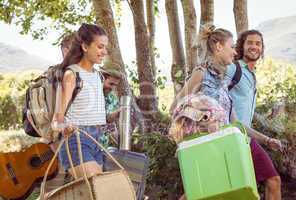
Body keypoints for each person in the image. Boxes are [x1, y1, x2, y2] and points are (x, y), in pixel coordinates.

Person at [170, 24, 282, 200]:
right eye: (231, 47)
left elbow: (236, 124)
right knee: (198, 193)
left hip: (226, 144)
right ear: (218, 47)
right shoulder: (201, 73)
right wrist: (202, 117)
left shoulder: (222, 81)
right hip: (207, 145)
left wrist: (266, 140)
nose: (235, 52)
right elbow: (175, 108)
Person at [226, 30, 282, 200]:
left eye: (258, 44)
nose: (254, 46)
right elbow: (211, 90)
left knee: (273, 180)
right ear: (241, 46)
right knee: (209, 187)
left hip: (246, 139)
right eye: (250, 42)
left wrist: (267, 138)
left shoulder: (252, 75)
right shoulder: (232, 68)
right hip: (229, 140)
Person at [52, 23, 108, 178]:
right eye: (100, 47)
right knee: (100, 191)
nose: (104, 52)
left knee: (94, 193)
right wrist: (65, 126)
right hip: (77, 142)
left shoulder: (98, 76)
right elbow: (56, 121)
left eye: (105, 48)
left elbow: (91, 115)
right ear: (84, 46)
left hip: (96, 141)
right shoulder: (72, 75)